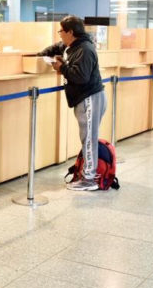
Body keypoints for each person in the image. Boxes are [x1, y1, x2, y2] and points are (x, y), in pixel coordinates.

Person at [38, 15, 105, 191]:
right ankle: (89, 174)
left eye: (61, 31)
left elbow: (80, 77)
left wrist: (62, 68)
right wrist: (42, 56)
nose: (59, 34)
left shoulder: (85, 49)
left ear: (70, 32)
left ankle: (89, 179)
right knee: (88, 137)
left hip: (89, 98)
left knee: (89, 138)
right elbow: (54, 48)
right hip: (84, 98)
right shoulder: (72, 45)